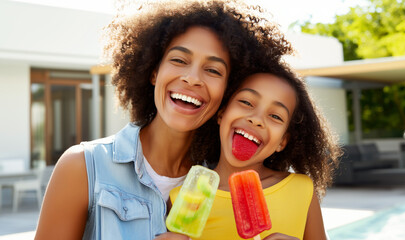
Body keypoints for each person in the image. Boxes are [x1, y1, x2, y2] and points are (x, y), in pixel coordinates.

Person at [34, 0, 292, 239]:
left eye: (213, 70)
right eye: (179, 60)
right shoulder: (82, 168)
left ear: (227, 92)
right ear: (154, 72)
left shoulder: (227, 184)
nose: (192, 78)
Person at [169, 61, 342, 239]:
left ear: (282, 141)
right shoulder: (181, 198)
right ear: (222, 113)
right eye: (246, 102)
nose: (257, 119)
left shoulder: (301, 190)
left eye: (275, 116)